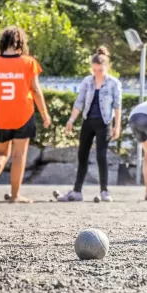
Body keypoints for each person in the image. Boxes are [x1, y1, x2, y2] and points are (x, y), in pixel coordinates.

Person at [0, 26, 51, 203]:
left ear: (3, 42)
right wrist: (44, 114)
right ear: (21, 42)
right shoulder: (29, 62)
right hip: (23, 115)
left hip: (1, 116)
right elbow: (36, 90)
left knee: (1, 153)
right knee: (18, 156)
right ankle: (15, 195)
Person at [58, 47, 122, 203]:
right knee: (82, 155)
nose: (97, 73)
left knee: (101, 155)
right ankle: (77, 191)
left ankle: (104, 191)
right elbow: (79, 102)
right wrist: (71, 120)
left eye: (100, 70)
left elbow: (117, 105)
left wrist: (117, 126)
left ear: (107, 67)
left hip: (104, 123)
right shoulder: (87, 81)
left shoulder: (114, 83)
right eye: (94, 70)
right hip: (88, 121)